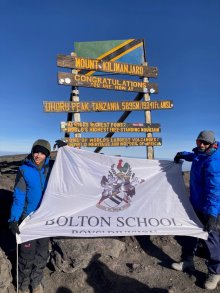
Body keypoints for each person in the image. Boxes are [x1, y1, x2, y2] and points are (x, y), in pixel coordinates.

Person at [172, 130, 220, 290]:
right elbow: (194, 155)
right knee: (189, 232)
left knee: (210, 238)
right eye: (199, 141)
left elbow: (215, 191)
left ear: (212, 144)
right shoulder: (201, 152)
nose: (201, 145)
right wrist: (182, 155)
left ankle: (215, 272)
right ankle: (187, 260)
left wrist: (212, 214)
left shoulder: (214, 162)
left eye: (204, 143)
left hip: (208, 207)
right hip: (195, 202)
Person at [9, 139, 53, 293]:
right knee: (26, 255)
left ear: (47, 154)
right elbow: (19, 196)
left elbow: (72, 167)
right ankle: (22, 285)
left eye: (42, 152)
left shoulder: (52, 168)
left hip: (45, 220)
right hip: (28, 219)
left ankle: (35, 284)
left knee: (42, 254)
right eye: (36, 151)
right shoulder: (24, 170)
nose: (38, 155)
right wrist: (14, 219)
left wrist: (67, 149)